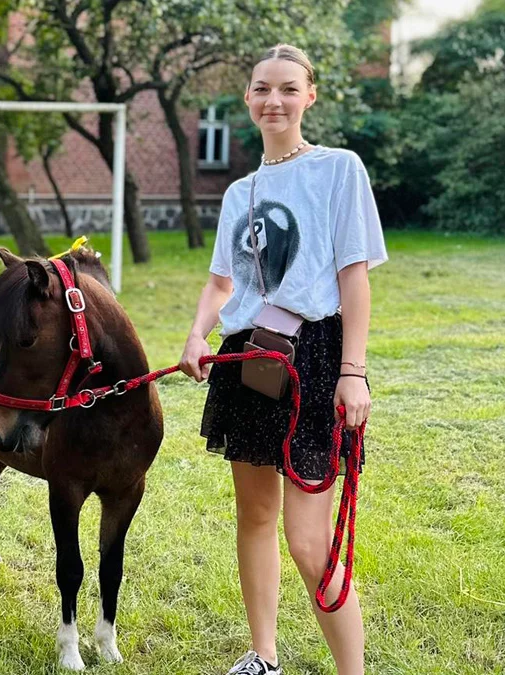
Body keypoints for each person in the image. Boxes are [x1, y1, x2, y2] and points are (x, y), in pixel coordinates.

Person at [178, 44, 387, 675]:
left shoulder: (338, 169)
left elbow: (354, 277)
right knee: (255, 516)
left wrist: (353, 372)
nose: (274, 100)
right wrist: (196, 336)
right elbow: (222, 283)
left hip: (315, 357)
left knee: (307, 538)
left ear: (310, 96)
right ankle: (262, 655)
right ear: (247, 98)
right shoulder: (240, 191)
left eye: (288, 89)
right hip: (246, 356)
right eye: (262, 89)